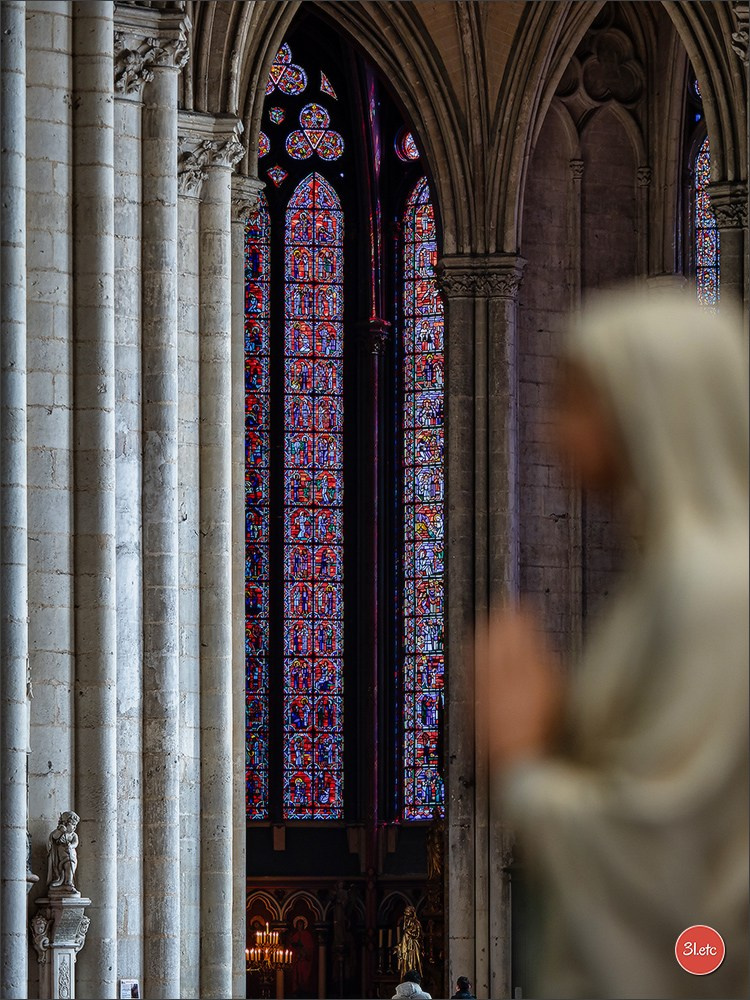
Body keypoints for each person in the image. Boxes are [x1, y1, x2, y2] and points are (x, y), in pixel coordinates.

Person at [476, 288, 749, 999]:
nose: (549, 431)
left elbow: (662, 849)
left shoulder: (713, 590)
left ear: (651, 403)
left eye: (576, 400)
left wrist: (522, 764)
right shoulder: (661, 585)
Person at [47, 810, 81, 891]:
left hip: (71, 855)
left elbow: (76, 843)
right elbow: (54, 837)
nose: (74, 827)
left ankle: (68, 882)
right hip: (60, 857)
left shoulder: (73, 835)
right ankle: (60, 880)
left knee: (70, 866)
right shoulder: (60, 832)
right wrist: (61, 831)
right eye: (73, 824)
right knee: (62, 869)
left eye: (75, 825)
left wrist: (71, 846)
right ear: (65, 823)